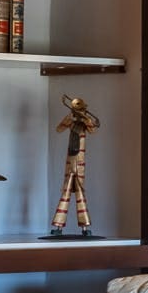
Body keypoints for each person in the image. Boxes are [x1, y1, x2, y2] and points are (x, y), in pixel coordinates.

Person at [49, 95, 99, 236]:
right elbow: (59, 129)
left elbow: (93, 130)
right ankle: (58, 226)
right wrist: (70, 118)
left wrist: (86, 118)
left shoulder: (84, 124)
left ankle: (85, 227)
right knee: (65, 194)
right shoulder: (71, 122)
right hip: (70, 163)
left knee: (80, 195)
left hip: (80, 164)